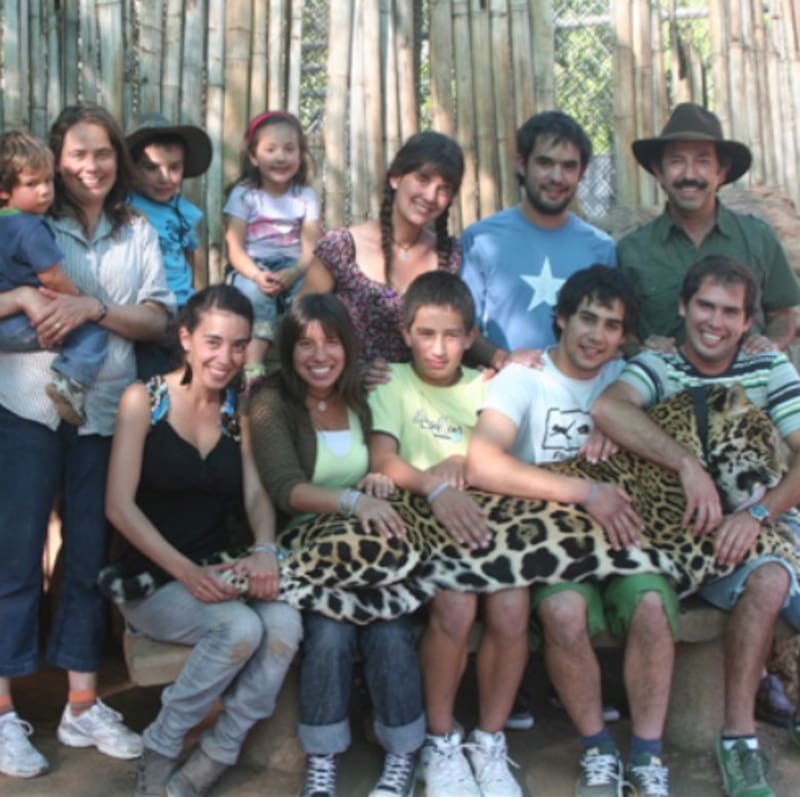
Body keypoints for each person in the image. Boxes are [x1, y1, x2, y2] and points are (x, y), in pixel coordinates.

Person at [0, 103, 174, 780]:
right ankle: (5, 712)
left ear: (117, 158)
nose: (91, 166)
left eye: (102, 152)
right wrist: (21, 302)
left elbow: (161, 316)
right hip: (27, 412)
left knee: (85, 560)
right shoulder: (27, 224)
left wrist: (94, 308)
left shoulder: (139, 230)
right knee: (13, 558)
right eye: (77, 154)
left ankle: (79, 701)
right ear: (55, 159)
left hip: (106, 415)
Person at [592, 254, 800, 797]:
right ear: (683, 307)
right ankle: (702, 746)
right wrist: (685, 464)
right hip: (689, 536)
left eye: (730, 312)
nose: (715, 321)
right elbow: (611, 409)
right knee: (757, 582)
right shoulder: (662, 367)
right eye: (704, 305)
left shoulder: (769, 367)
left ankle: (756, 727)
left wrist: (759, 514)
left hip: (769, 525)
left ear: (748, 321)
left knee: (778, 575)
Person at [466, 266, 673, 797]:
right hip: (554, 544)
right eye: (586, 318)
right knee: (563, 612)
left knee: (651, 606)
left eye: (610, 325)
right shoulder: (524, 377)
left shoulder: (626, 381)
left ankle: (648, 758)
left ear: (623, 336)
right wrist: (585, 492)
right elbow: (483, 464)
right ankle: (598, 750)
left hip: (627, 539)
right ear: (561, 318)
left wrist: (619, 422)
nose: (595, 335)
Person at [104, 284, 302, 797]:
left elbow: (257, 495)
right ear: (187, 338)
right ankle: (164, 744)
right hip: (148, 577)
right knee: (237, 628)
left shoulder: (239, 411)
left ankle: (216, 753)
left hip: (218, 567)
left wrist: (263, 549)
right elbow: (118, 507)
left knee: (284, 622)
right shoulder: (142, 400)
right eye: (214, 342)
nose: (226, 357)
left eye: (239, 346)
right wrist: (186, 573)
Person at [248, 293, 424, 797]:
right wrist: (351, 502)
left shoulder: (363, 397)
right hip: (312, 552)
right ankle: (322, 759)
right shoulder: (271, 401)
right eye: (305, 344)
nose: (319, 355)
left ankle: (403, 752)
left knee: (391, 630)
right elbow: (285, 487)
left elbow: (384, 460)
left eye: (330, 342)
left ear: (348, 346)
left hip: (374, 550)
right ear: (287, 349)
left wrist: (377, 482)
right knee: (329, 634)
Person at [368, 270, 525, 797]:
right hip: (423, 524)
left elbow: (495, 454)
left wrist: (464, 461)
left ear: (470, 336)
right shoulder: (390, 381)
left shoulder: (484, 387)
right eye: (427, 334)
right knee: (456, 605)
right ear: (407, 331)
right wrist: (436, 485)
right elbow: (384, 460)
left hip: (486, 525)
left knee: (511, 603)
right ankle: (440, 741)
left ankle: (489, 740)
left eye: (453, 336)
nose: (439, 349)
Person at [618, 102, 800, 353]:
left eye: (702, 161)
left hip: (745, 384)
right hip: (665, 386)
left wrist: (771, 344)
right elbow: (618, 328)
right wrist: (641, 351)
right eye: (676, 161)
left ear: (721, 172)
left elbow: (783, 313)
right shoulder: (631, 251)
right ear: (658, 172)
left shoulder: (758, 238)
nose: (689, 174)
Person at [300, 131, 465, 377]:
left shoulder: (449, 256)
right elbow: (299, 325)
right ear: (395, 178)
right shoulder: (341, 248)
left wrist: (500, 359)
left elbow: (461, 330)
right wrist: (350, 372)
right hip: (344, 398)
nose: (431, 196)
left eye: (444, 189)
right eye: (423, 179)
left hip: (421, 403)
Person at [460, 110, 616, 365]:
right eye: (545, 163)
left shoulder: (601, 249)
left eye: (568, 166)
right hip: (502, 389)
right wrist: (503, 360)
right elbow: (463, 328)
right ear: (522, 164)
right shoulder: (481, 240)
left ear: (583, 171)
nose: (556, 177)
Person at [0, 130, 108, 426]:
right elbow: (52, 277)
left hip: (5, 322)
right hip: (29, 322)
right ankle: (70, 382)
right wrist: (78, 300)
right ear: (4, 189)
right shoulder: (32, 228)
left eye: (48, 180)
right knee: (92, 333)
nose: (45, 191)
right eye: (32, 184)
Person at [224, 110, 322, 382]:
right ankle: (253, 368)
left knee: (314, 299)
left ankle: (306, 361)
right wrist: (256, 274)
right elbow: (235, 248)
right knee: (253, 295)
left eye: (289, 149)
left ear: (300, 155)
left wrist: (296, 272)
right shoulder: (244, 194)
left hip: (294, 266)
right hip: (253, 266)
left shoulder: (305, 196)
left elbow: (311, 246)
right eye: (271, 149)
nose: (281, 157)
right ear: (254, 156)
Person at [126, 113, 213, 309]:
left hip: (181, 302)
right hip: (142, 304)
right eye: (151, 168)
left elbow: (189, 254)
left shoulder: (184, 212)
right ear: (132, 168)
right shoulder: (124, 204)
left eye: (174, 167)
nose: (164, 178)